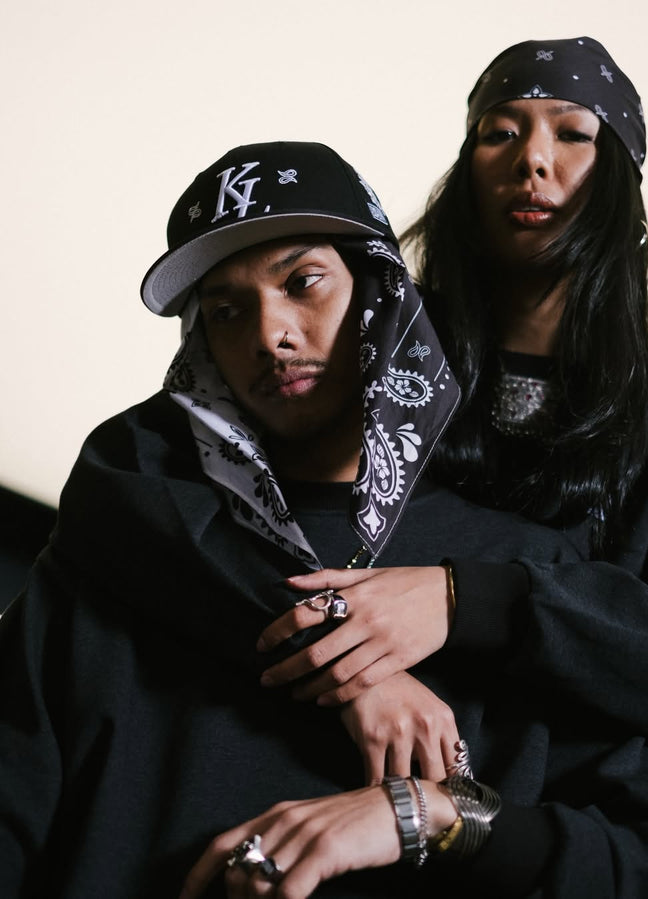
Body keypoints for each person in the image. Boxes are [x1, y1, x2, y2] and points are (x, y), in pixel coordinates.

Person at [0, 140, 595, 898]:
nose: (269, 335)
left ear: (380, 291)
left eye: (302, 282)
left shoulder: (521, 567)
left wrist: (446, 815)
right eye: (226, 310)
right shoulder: (111, 555)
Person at [254, 37, 648, 766]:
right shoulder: (368, 356)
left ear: (621, 183)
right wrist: (350, 656)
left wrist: (464, 599)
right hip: (314, 761)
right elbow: (195, 480)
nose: (532, 159)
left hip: (545, 812)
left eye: (573, 134)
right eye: (499, 133)